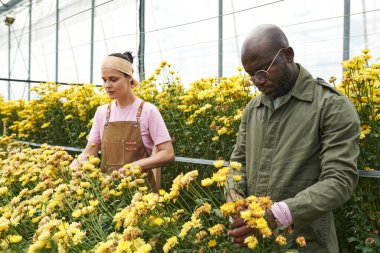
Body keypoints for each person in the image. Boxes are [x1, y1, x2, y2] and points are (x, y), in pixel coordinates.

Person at [227, 24, 360, 252]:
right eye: (251, 76)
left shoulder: (330, 106)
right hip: (256, 243)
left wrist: (277, 214)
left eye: (262, 71)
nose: (258, 82)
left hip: (306, 242)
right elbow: (237, 164)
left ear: (288, 55)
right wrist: (234, 199)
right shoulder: (254, 109)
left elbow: (339, 181)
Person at [70, 51, 175, 191]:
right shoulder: (102, 113)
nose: (107, 85)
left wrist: (136, 166)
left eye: (113, 79)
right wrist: (71, 167)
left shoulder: (147, 111)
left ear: (129, 78)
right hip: (109, 193)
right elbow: (89, 152)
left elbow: (167, 153)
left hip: (141, 194)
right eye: (104, 80)